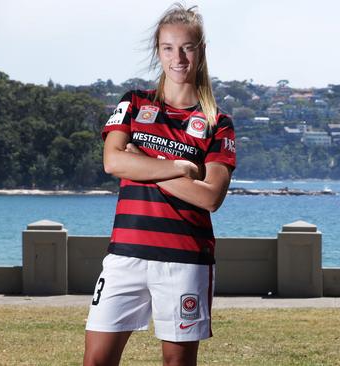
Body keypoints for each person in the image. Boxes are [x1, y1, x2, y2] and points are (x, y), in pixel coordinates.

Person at [83, 4, 236, 366]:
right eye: (168, 48)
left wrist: (147, 165)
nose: (178, 57)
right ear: (158, 51)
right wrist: (180, 168)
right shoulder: (133, 103)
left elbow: (211, 196)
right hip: (125, 255)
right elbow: (113, 161)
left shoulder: (218, 122)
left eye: (187, 47)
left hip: (185, 260)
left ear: (201, 51)